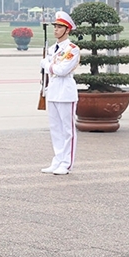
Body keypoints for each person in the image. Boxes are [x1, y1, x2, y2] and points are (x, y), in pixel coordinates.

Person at [41, 10, 80, 175]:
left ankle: (67, 162)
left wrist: (47, 65)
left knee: (67, 130)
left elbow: (62, 70)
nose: (56, 29)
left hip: (66, 93)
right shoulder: (51, 49)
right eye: (55, 26)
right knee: (55, 129)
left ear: (67, 30)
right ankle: (57, 160)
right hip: (53, 91)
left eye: (59, 27)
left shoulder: (72, 49)